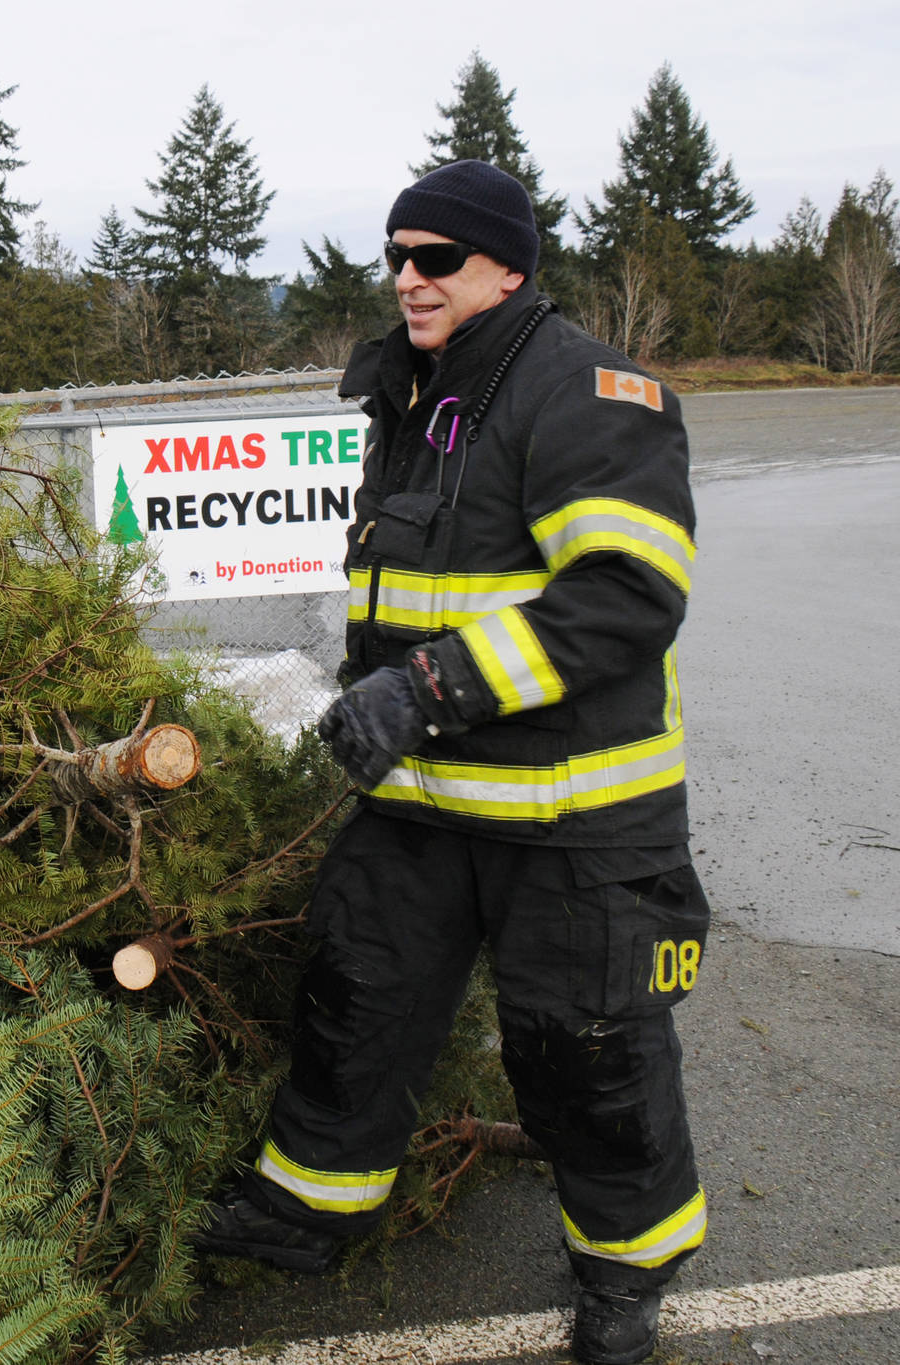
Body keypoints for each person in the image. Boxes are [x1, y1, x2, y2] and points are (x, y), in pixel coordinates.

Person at [192, 160, 710, 1365]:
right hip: (420, 805)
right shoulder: (415, 397)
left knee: (587, 1052)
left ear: (507, 267)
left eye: (434, 258)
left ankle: (625, 1279)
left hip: (575, 819)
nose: (405, 280)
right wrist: (365, 694)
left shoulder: (588, 392)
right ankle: (304, 1214)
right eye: (394, 256)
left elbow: (625, 597)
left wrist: (425, 689)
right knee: (349, 1002)